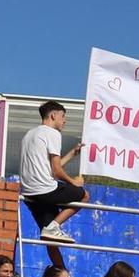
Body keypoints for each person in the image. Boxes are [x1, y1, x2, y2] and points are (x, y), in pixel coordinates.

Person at [19, 99, 86, 264]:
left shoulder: (30, 134)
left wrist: (72, 153)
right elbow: (56, 171)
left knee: (50, 238)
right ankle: (54, 226)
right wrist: (73, 182)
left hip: (29, 193)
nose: (65, 121)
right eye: (63, 116)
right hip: (45, 189)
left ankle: (62, 273)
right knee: (84, 195)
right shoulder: (52, 133)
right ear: (53, 115)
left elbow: (49, 169)